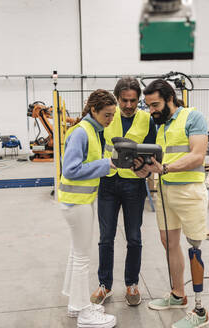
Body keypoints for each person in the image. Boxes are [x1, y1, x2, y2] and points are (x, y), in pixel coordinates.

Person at [135, 79, 209, 328]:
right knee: (168, 242)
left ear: (170, 98)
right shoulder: (161, 125)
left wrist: (164, 168)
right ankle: (178, 294)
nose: (152, 110)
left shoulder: (193, 117)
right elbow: (159, 161)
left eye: (155, 104)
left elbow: (198, 154)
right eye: (149, 106)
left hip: (190, 191)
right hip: (165, 191)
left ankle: (200, 311)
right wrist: (144, 170)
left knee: (194, 247)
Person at [90, 77, 156, 307]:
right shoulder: (108, 115)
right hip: (108, 182)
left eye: (133, 101)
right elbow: (96, 144)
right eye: (124, 100)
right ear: (117, 99)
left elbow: (152, 155)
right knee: (106, 238)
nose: (128, 105)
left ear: (139, 100)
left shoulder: (147, 120)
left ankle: (132, 284)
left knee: (134, 238)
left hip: (133, 185)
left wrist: (146, 173)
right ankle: (104, 285)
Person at [58, 89, 117, 328]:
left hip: (80, 201)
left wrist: (111, 164)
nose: (110, 119)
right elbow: (70, 169)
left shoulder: (94, 130)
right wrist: (105, 164)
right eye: (107, 114)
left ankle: (76, 304)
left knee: (76, 253)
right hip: (77, 203)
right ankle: (84, 314)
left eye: (113, 115)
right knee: (83, 257)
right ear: (93, 109)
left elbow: (96, 164)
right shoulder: (82, 132)